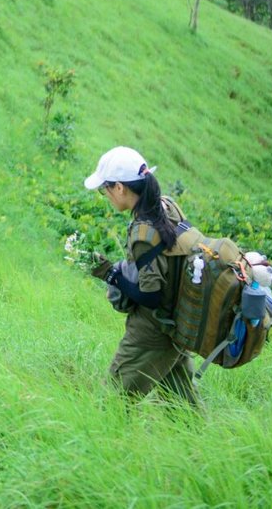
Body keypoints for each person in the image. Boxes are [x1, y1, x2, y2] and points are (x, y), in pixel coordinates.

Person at [85, 145, 199, 406]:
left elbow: (151, 296)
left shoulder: (144, 233)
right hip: (177, 323)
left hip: (153, 330)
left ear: (120, 188)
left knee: (110, 404)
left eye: (106, 189)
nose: (106, 195)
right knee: (183, 410)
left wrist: (110, 275)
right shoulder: (166, 206)